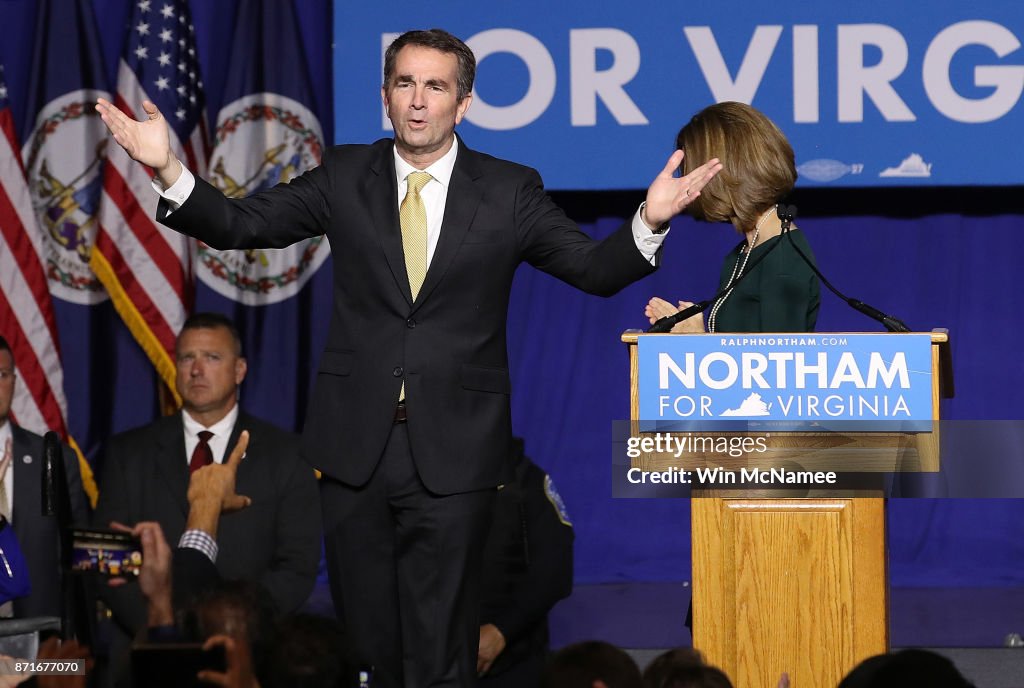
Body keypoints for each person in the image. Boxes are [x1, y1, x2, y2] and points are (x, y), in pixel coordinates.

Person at [96, 28, 722, 688]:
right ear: (385, 98)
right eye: (405, 84)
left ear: (464, 103)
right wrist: (167, 166)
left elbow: (593, 269)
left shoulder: (508, 190)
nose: (419, 101)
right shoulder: (344, 175)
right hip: (355, 449)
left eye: (436, 86)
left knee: (441, 643)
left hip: (456, 449)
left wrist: (648, 220)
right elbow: (242, 225)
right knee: (368, 645)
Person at [93, 313, 320, 644]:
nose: (196, 370)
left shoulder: (286, 454)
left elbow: (296, 568)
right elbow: (108, 557)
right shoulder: (127, 453)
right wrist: (162, 626)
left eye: (212, 357)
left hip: (249, 651)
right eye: (187, 358)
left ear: (239, 370)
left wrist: (228, 628)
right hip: (150, 649)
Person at [645, 102, 819, 334]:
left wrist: (697, 339)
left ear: (721, 174)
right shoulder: (744, 253)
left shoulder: (782, 260)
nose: (688, 185)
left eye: (692, 172)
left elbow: (779, 365)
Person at [0, 335, 87, 619]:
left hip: (42, 640)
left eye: (1, 375)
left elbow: (77, 559)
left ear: (14, 381)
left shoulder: (53, 459)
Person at [477, 438, 573, 686]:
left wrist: (501, 631)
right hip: (429, 655)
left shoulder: (525, 479)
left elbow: (555, 570)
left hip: (511, 658)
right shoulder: (414, 479)